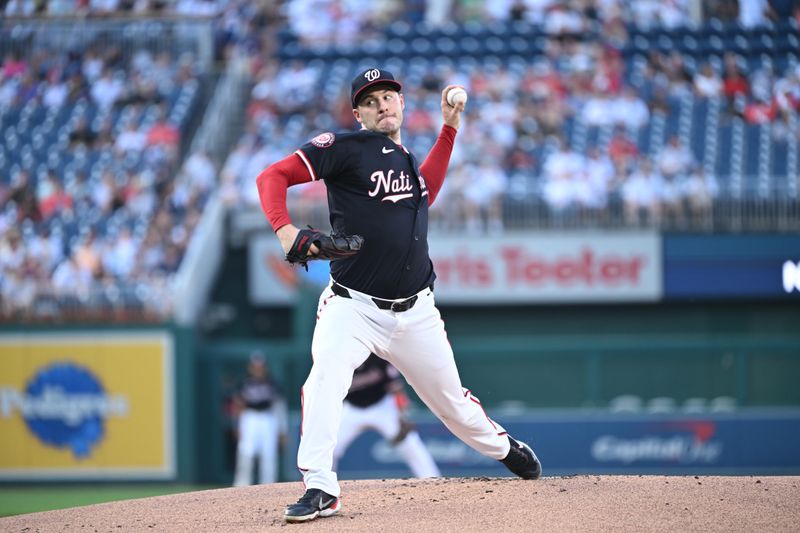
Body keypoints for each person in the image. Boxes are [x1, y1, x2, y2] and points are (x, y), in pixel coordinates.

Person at [255, 67, 541, 524]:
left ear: (402, 104)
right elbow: (272, 176)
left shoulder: (406, 158)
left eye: (389, 96)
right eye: (371, 100)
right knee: (324, 379)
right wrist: (285, 229)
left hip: (416, 312)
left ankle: (505, 448)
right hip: (352, 306)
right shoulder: (346, 148)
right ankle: (321, 486)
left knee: (452, 404)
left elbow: (427, 190)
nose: (382, 104)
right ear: (358, 113)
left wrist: (449, 129)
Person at [333, 353, 440, 479]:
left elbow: (395, 386)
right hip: (352, 409)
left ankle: (432, 480)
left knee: (410, 443)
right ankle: (323, 487)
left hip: (382, 407)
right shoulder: (340, 359)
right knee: (331, 448)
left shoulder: (377, 356)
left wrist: (402, 414)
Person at [232, 351, 287, 486]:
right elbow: (237, 404)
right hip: (249, 417)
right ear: (250, 367)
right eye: (255, 366)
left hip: (268, 418)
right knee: (246, 453)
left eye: (260, 366)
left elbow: (279, 406)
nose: (258, 369)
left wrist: (282, 429)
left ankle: (268, 486)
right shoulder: (244, 383)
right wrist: (236, 425)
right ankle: (241, 486)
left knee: (268, 454)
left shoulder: (272, 383)